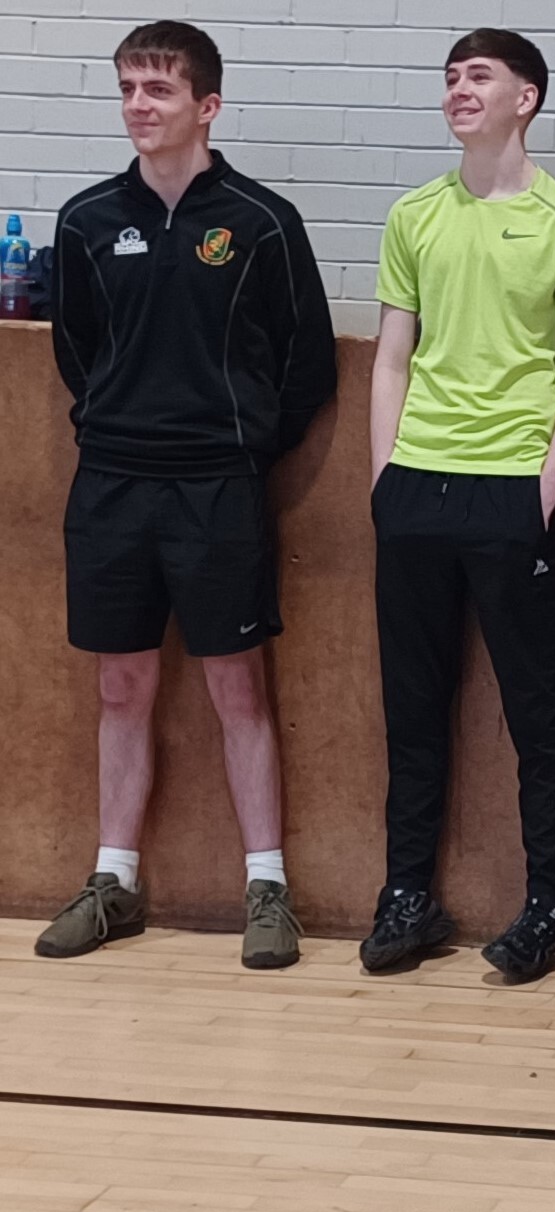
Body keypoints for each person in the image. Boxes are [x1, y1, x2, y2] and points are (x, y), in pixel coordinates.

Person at [41, 20, 335, 970]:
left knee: (236, 687)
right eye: (128, 88)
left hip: (220, 488)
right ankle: (114, 880)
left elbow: (308, 362)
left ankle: (268, 887)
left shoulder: (260, 222)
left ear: (206, 105)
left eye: (158, 90)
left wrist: (245, 443)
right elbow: (76, 354)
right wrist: (123, 424)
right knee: (120, 685)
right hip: (114, 486)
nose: (138, 106)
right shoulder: (86, 220)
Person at [366, 28, 555, 979]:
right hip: (416, 490)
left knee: (539, 715)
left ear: (528, 98)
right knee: (413, 709)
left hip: (514, 489)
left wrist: (538, 495)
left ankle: (547, 905)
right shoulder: (414, 214)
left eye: (479, 76)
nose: (458, 90)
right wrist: (385, 480)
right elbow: (392, 355)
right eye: (451, 77)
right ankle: (406, 897)